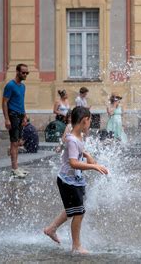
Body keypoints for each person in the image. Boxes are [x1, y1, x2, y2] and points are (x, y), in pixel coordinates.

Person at [43, 106, 109, 254]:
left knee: (73, 209)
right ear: (84, 121)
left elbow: (76, 151)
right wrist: (94, 166)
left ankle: (51, 229)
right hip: (68, 181)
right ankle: (76, 246)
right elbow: (73, 162)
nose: (90, 124)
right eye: (90, 121)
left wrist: (86, 155)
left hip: (73, 179)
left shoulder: (77, 136)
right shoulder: (73, 139)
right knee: (79, 213)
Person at [2, 63, 29, 178]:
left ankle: (16, 167)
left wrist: (24, 116)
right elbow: (4, 102)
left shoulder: (23, 86)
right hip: (12, 115)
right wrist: (7, 119)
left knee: (17, 142)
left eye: (27, 73)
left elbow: (21, 102)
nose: (25, 74)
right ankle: (14, 169)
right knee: (13, 143)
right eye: (23, 72)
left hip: (20, 115)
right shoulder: (10, 85)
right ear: (17, 72)